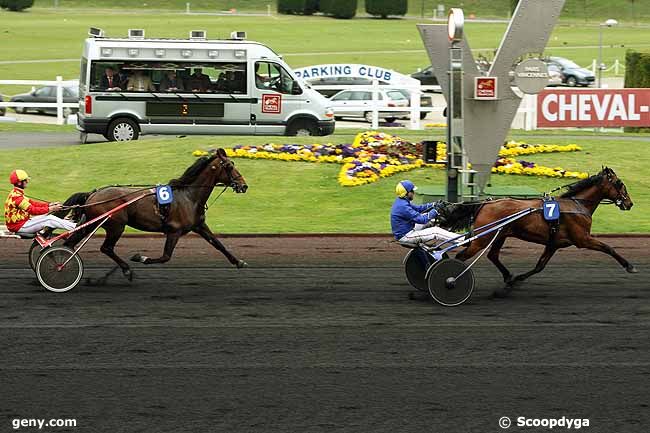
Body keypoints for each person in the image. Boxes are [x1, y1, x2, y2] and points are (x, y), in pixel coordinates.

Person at [4, 170, 76, 235]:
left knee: (48, 215)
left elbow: (33, 203)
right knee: (49, 219)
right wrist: (52, 208)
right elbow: (33, 210)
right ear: (19, 182)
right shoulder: (17, 197)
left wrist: (50, 205)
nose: (27, 182)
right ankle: (76, 227)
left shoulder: (16, 193)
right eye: (25, 180)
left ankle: (71, 223)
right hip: (19, 226)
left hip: (22, 223)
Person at [390, 180, 456, 247]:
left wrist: (434, 204)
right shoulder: (403, 206)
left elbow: (419, 208)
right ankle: (462, 240)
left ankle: (449, 232)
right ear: (406, 193)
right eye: (412, 191)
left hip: (408, 230)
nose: (413, 193)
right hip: (406, 236)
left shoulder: (401, 202)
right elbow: (422, 220)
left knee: (431, 220)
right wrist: (436, 210)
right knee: (435, 231)